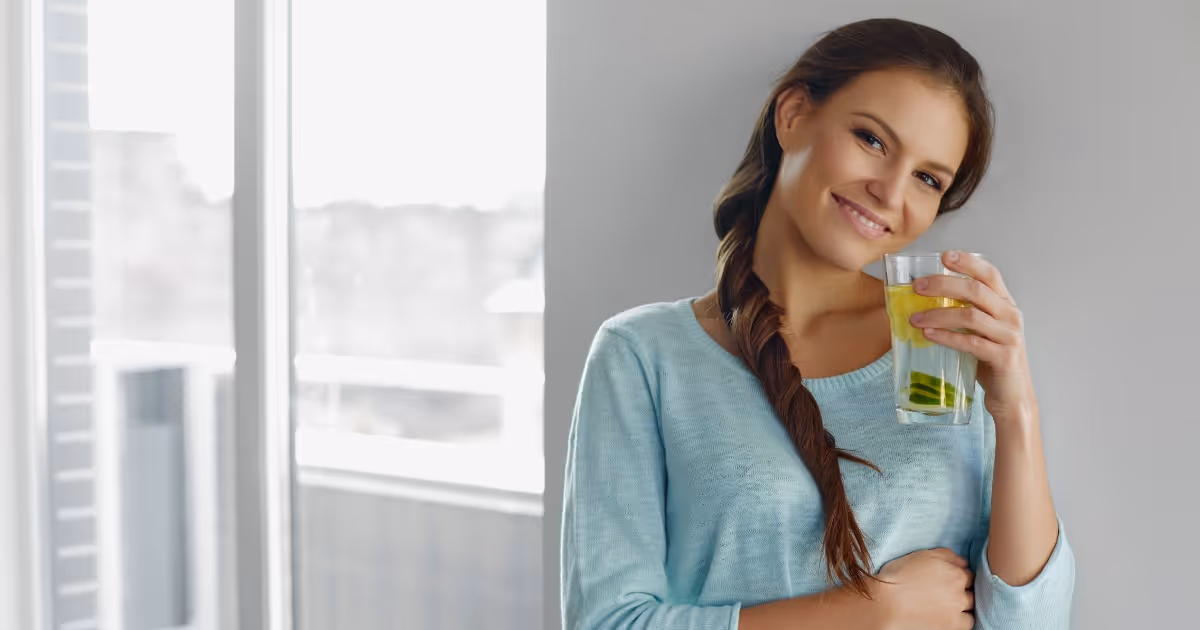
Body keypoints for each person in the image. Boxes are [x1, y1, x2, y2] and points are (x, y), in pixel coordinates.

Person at [560, 17, 1075, 630]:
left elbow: (1030, 624)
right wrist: (867, 612)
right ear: (794, 114)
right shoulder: (645, 356)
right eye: (873, 140)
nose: (889, 191)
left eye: (927, 178)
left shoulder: (937, 344)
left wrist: (1016, 412)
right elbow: (608, 623)